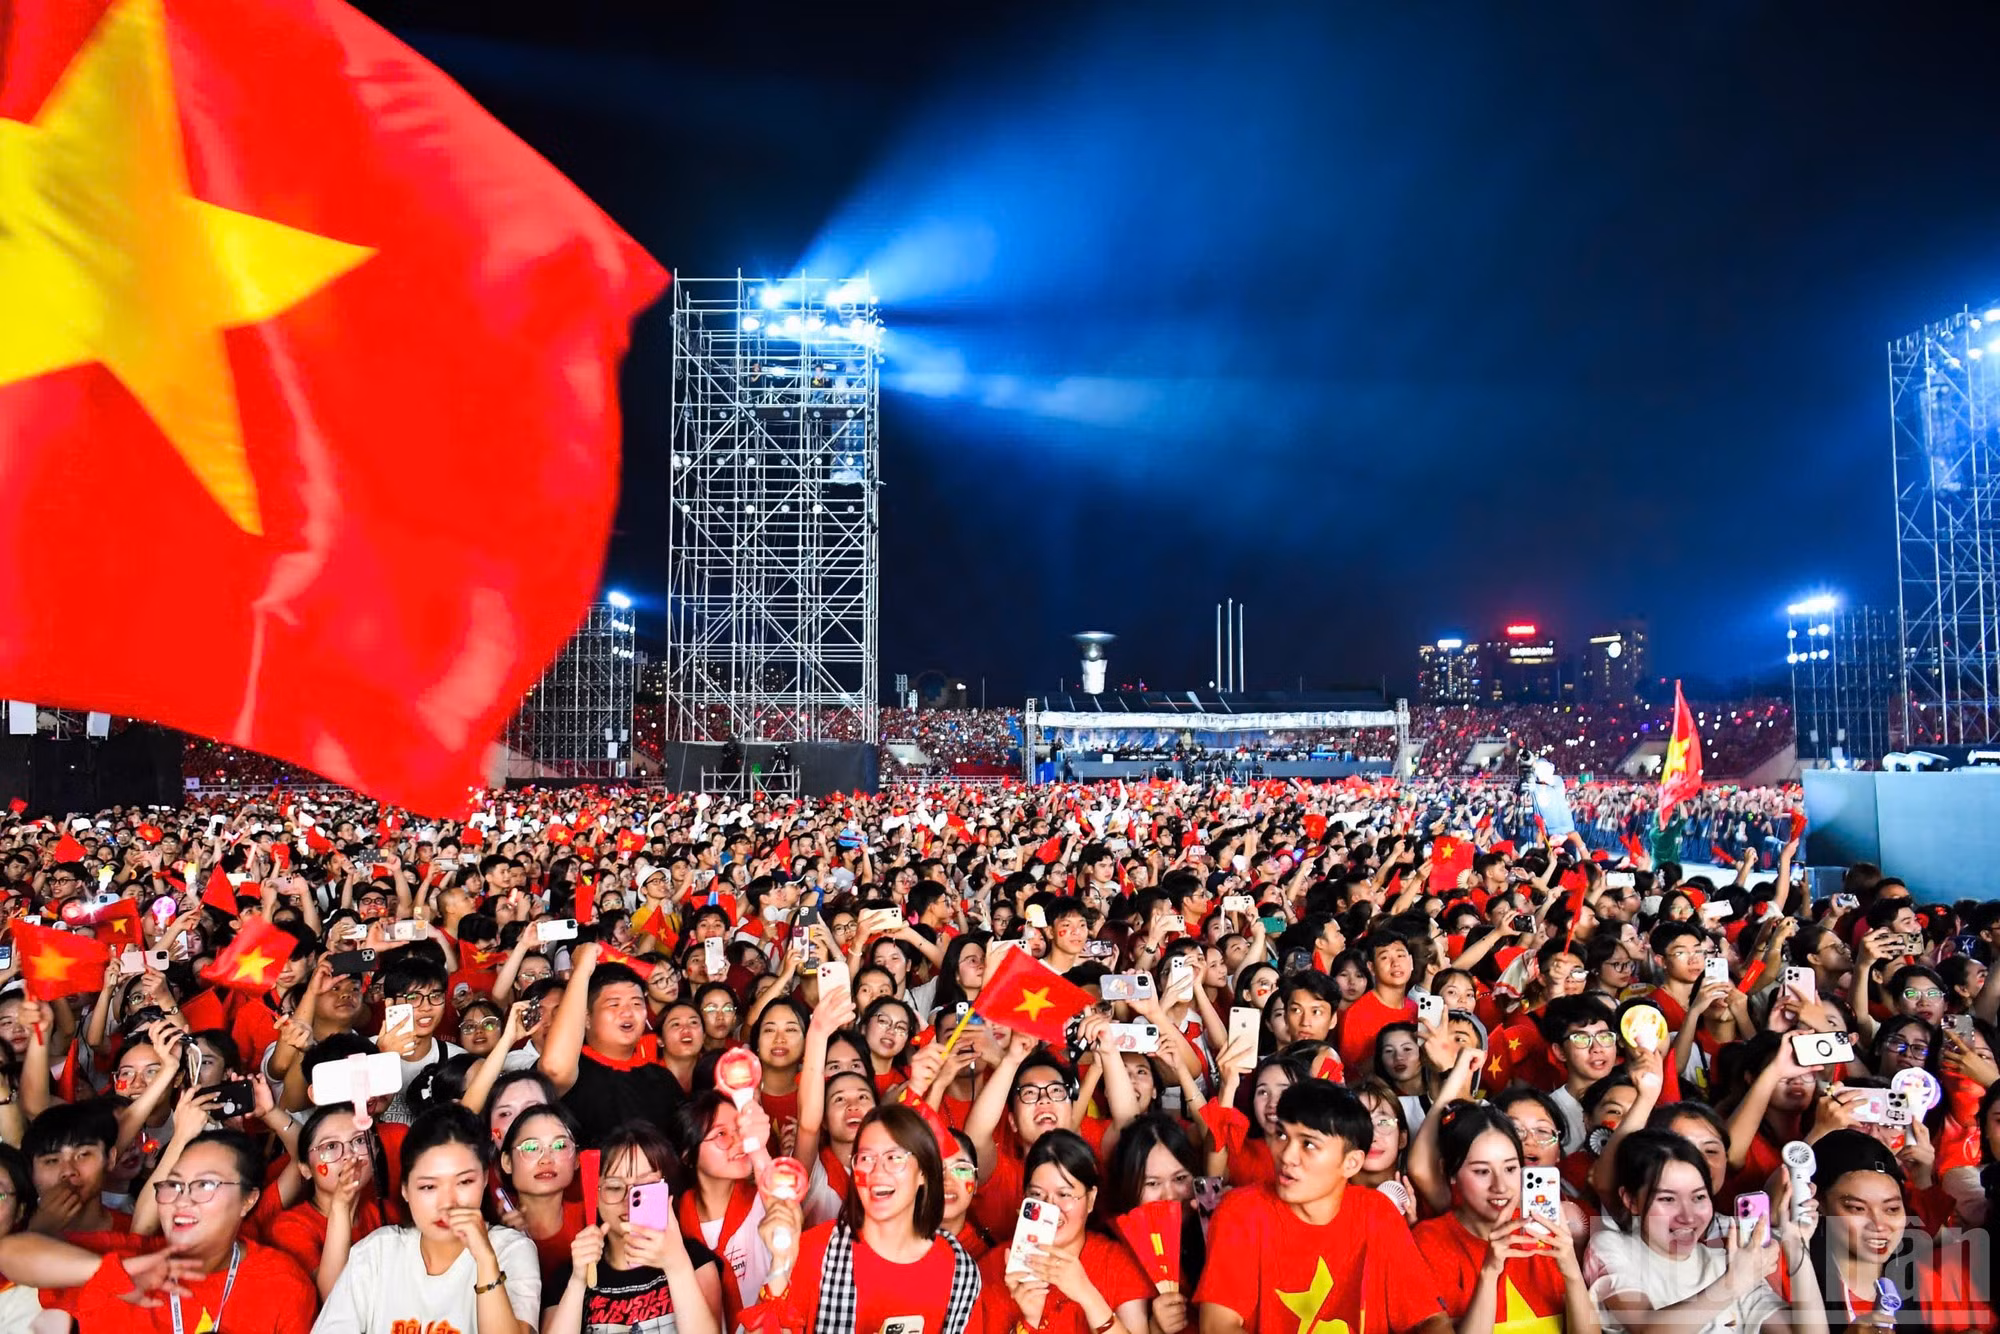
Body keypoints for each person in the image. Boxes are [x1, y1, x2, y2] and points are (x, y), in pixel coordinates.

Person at [1192, 1081, 1453, 1334]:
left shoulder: (1376, 1212)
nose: (1287, 1156)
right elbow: (1218, 1326)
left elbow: (1431, 1319)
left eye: (1308, 1144)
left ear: (1351, 1163)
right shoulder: (1242, 1211)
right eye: (1282, 1135)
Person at [749, 1104, 984, 1334]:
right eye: (865, 1158)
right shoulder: (814, 1252)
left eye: (894, 1158)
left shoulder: (960, 1272)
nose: (878, 1172)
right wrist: (780, 1264)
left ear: (923, 1171)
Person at [313, 1103, 542, 1334]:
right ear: (405, 1189)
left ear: (484, 1178)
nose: (447, 1203)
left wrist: (485, 1261)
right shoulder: (376, 1253)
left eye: (464, 1182)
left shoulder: (512, 1251)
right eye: (429, 1186)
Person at [1584, 1128, 1827, 1334]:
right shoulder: (1611, 1246)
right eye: (1668, 1199)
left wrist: (1797, 1246)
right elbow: (1648, 1327)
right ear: (1631, 1200)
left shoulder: (1724, 1261)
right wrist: (1732, 1284)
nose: (1688, 1216)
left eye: (1699, 1197)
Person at [1411, 1102, 1598, 1334]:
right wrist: (1490, 1273)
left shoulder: (1541, 1227)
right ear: (1449, 1172)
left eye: (1510, 1169)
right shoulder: (1430, 1240)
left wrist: (1571, 1269)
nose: (1500, 1187)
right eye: (1481, 1171)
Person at [543, 1120, 727, 1334]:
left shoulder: (695, 1261)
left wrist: (678, 1267)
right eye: (613, 1187)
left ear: (667, 1190)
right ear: (594, 1195)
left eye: (645, 1186)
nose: (630, 1199)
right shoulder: (568, 1275)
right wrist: (577, 1282)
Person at [982, 1129, 1153, 1334]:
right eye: (1036, 1194)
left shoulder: (1117, 1263)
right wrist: (1030, 1320)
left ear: (1090, 1200)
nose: (1050, 1208)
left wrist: (1087, 1295)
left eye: (1064, 1194)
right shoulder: (995, 1267)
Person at [266, 1102, 387, 1297]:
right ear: (305, 1169)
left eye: (358, 1141)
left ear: (376, 1151)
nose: (349, 1155)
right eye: (331, 1146)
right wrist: (341, 1206)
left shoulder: (384, 1211)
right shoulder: (290, 1227)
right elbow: (334, 1298)